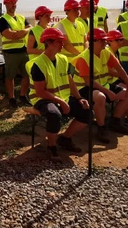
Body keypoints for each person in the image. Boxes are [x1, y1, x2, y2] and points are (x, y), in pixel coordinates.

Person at [28, 28, 90, 161]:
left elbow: (70, 81)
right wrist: (61, 102)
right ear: (48, 43)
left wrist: (79, 98)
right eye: (59, 41)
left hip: (62, 97)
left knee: (87, 112)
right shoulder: (38, 64)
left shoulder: (63, 59)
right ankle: (51, 147)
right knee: (54, 114)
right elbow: (40, 91)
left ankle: (65, 138)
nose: (62, 44)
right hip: (42, 99)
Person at [71, 28, 128, 142]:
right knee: (100, 97)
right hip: (83, 88)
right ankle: (101, 127)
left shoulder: (105, 52)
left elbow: (119, 69)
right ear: (93, 41)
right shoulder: (83, 58)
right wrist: (108, 92)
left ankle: (115, 121)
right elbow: (88, 82)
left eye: (105, 40)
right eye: (102, 40)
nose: (105, 43)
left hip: (102, 85)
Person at [0, 0, 32, 107]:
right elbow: (9, 35)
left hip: (24, 50)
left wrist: (20, 32)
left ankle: (22, 96)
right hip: (11, 52)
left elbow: (30, 28)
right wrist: (23, 32)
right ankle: (12, 98)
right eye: (11, 3)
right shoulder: (3, 20)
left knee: (26, 74)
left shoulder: (21, 18)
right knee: (10, 76)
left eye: (14, 2)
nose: (13, 5)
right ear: (6, 4)